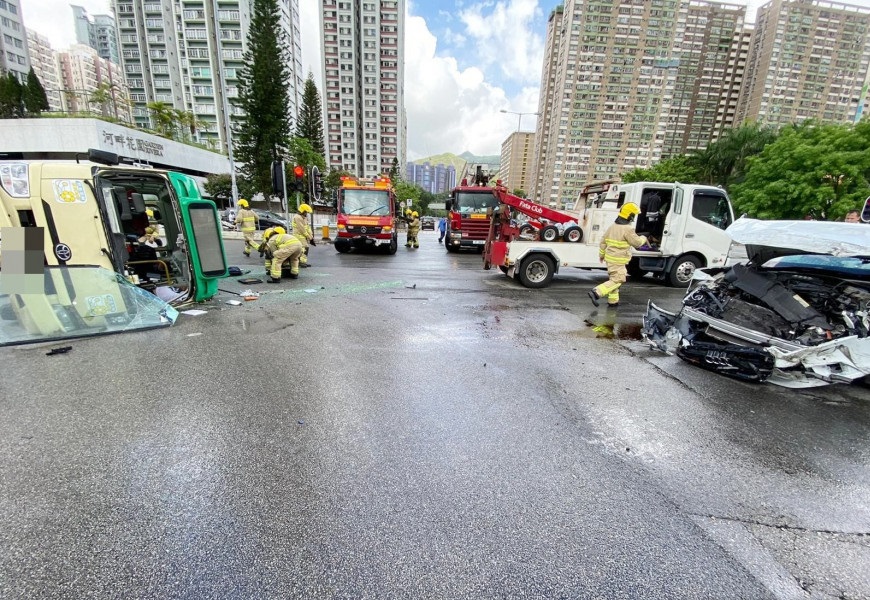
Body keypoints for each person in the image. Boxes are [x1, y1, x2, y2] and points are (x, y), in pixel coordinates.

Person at [588, 202, 647, 308]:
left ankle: (613, 302)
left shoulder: (613, 226)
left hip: (610, 259)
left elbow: (603, 241)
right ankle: (596, 292)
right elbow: (637, 243)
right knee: (618, 279)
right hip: (619, 259)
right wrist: (644, 238)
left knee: (614, 280)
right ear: (629, 215)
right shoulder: (628, 229)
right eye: (633, 215)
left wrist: (601, 255)